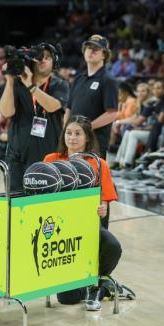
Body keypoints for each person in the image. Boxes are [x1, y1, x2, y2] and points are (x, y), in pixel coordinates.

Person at [44, 115, 122, 311]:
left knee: (113, 246)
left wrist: (102, 208)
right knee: (67, 300)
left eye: (78, 133)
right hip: (59, 231)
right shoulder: (51, 160)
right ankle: (105, 286)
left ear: (87, 137)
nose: (72, 138)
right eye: (69, 133)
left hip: (86, 227)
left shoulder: (98, 163)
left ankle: (98, 285)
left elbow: (103, 201)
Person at [0, 43, 69, 193]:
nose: (42, 60)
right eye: (39, 57)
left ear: (54, 62)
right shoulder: (17, 83)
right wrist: (10, 81)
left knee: (43, 207)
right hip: (17, 157)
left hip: (47, 158)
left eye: (48, 57)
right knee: (15, 204)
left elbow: (52, 106)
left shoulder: (60, 85)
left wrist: (31, 86)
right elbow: (6, 112)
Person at [64, 35, 118, 156]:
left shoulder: (108, 80)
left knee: (91, 175)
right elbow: (69, 108)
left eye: (96, 49)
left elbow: (112, 113)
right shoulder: (78, 79)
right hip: (73, 142)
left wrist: (86, 128)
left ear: (104, 55)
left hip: (95, 142)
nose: (91, 51)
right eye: (89, 48)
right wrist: (65, 131)